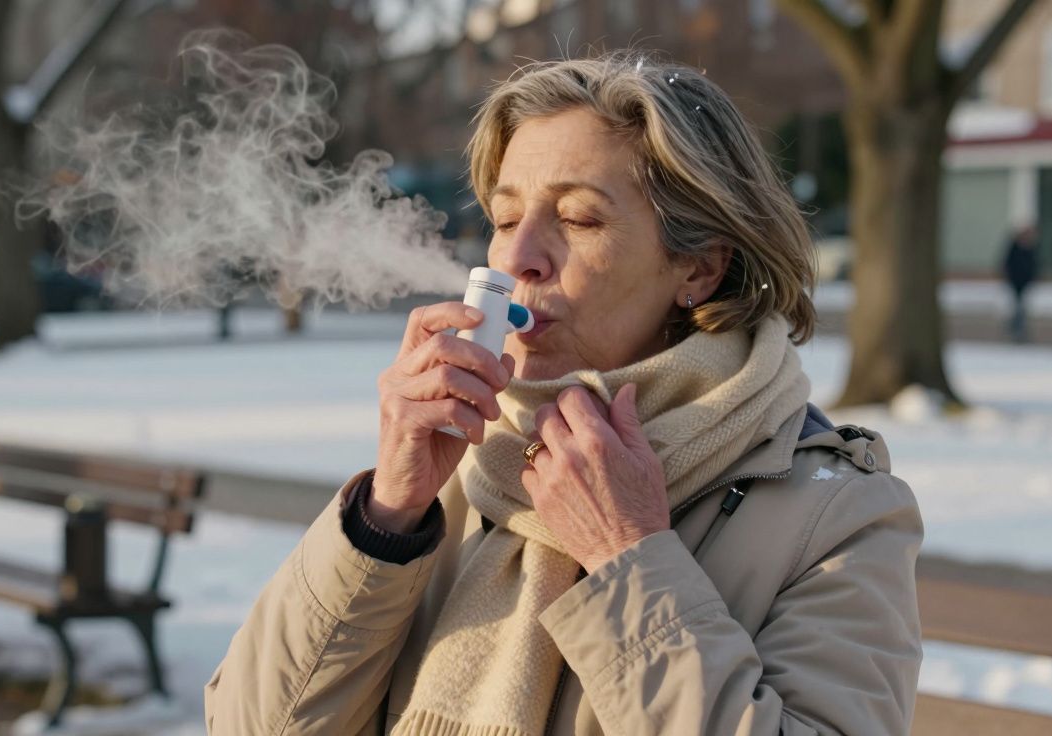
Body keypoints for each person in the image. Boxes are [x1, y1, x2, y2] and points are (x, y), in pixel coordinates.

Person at [205, 53, 923, 735]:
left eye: (578, 219)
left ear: (699, 268)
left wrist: (627, 554)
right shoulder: (461, 454)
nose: (518, 258)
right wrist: (385, 516)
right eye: (505, 219)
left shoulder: (838, 514)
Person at [1002, 225, 1039, 343]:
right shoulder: (1015, 248)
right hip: (1015, 282)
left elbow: (1034, 265)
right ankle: (1017, 329)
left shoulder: (1030, 248)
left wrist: (1032, 277)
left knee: (1021, 307)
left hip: (1025, 283)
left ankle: (1017, 328)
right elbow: (1008, 263)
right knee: (1019, 307)